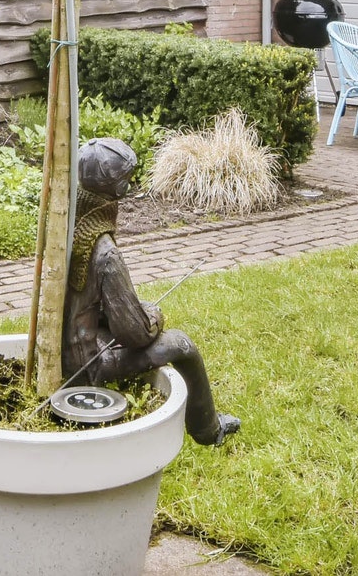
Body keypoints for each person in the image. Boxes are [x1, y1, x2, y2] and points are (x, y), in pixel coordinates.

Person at [60, 137, 239, 445]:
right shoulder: (104, 252)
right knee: (182, 345)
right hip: (87, 365)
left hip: (65, 344)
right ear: (118, 191)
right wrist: (153, 315)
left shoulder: (65, 225)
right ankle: (209, 431)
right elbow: (135, 334)